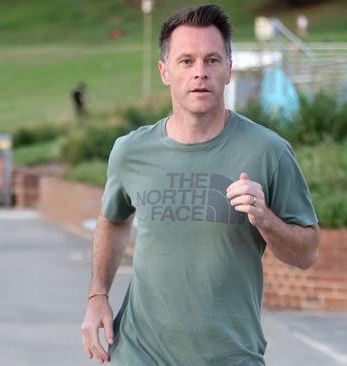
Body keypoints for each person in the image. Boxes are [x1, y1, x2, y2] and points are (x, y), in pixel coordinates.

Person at [81, 5, 320, 365]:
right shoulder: (130, 151)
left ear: (228, 70)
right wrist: (97, 295)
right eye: (186, 61)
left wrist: (265, 219)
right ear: (165, 71)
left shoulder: (268, 151)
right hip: (138, 353)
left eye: (211, 60)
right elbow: (113, 218)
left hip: (231, 356)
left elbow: (307, 253)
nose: (200, 73)